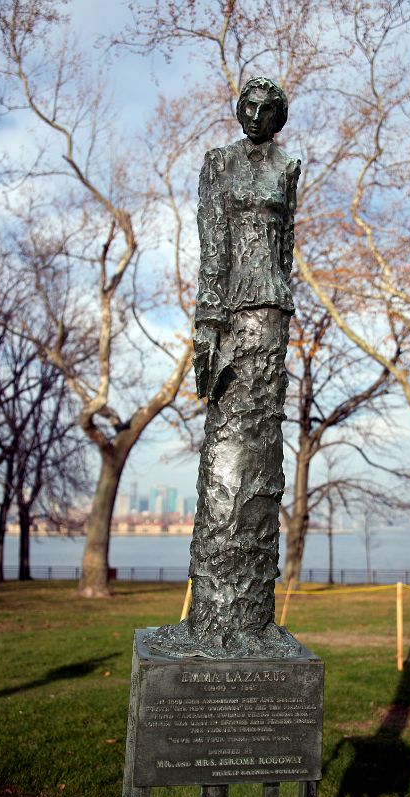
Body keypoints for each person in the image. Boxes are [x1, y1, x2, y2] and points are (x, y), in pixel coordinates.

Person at [149, 77, 301, 657]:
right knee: (227, 450)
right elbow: (213, 245)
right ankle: (215, 613)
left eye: (268, 109)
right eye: (250, 106)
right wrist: (207, 326)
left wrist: (277, 301)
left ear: (278, 117)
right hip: (231, 310)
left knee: (263, 445)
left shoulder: (288, 168)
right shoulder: (220, 164)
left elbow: (284, 247)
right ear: (239, 110)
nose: (258, 115)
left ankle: (254, 614)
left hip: (273, 311)